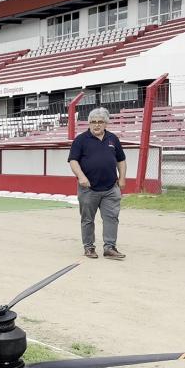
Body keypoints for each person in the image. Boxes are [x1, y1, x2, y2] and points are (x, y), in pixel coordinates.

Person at [68, 107, 127, 260]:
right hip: (88, 188)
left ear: (106, 123)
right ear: (89, 123)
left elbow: (121, 160)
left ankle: (110, 248)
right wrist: (81, 177)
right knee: (87, 219)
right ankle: (89, 247)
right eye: (93, 122)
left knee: (112, 218)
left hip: (110, 188)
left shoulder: (113, 139)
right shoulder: (81, 140)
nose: (96, 125)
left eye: (100, 122)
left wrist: (122, 178)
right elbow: (73, 160)